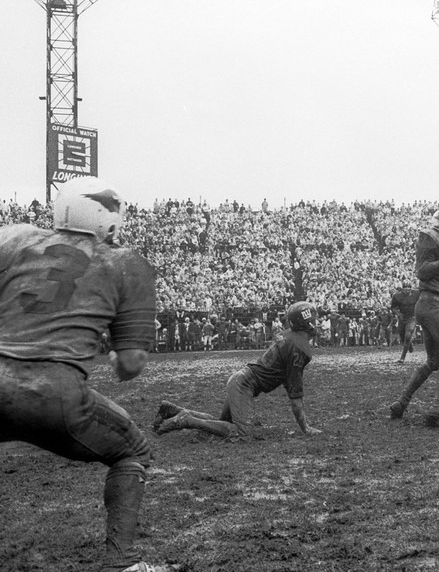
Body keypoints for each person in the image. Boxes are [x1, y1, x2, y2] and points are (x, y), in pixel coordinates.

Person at [0, 177, 166, 572]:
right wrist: (115, 358)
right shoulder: (126, 262)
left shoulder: (14, 238)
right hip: (52, 391)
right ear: (109, 220)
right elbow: (130, 364)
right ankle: (121, 563)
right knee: (133, 450)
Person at [154, 301, 321, 438]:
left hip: (242, 380)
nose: (317, 322)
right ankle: (186, 419)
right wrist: (305, 427)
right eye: (315, 319)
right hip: (245, 384)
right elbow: (295, 397)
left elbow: (285, 373)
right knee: (241, 433)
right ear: (306, 322)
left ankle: (173, 410)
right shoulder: (298, 347)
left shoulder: (291, 338)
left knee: (221, 424)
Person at [388, 208, 439, 426]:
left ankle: (401, 403)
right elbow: (423, 272)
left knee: (434, 361)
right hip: (431, 303)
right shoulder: (429, 237)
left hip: (432, 303)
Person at [391, 281, 420, 363]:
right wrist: (399, 314)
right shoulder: (396, 296)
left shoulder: (416, 293)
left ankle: (402, 358)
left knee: (408, 335)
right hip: (402, 317)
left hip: (412, 317)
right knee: (403, 337)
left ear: (411, 289)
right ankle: (409, 345)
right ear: (402, 289)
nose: (407, 291)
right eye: (405, 289)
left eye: (408, 289)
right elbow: (393, 307)